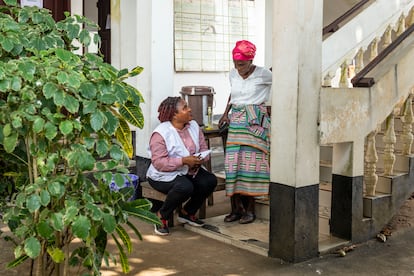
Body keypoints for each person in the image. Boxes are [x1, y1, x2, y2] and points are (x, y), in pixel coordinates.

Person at [147, 96, 217, 235]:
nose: (189, 109)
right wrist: (184, 161)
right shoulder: (161, 133)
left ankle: (186, 212)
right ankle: (162, 215)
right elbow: (159, 163)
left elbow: (204, 149)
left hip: (189, 170)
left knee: (210, 180)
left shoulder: (194, 126)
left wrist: (199, 160)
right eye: (185, 108)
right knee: (185, 187)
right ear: (174, 114)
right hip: (162, 175)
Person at [219, 40, 272, 224]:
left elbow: (281, 87)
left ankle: (250, 210)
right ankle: (236, 209)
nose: (238, 68)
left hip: (255, 122)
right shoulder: (233, 74)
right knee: (233, 166)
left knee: (251, 167)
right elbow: (233, 95)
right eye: (235, 63)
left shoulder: (264, 74)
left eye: (241, 64)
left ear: (251, 60)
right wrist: (225, 114)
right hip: (236, 121)